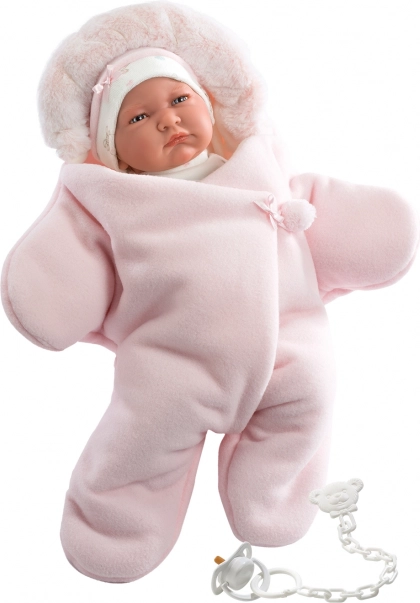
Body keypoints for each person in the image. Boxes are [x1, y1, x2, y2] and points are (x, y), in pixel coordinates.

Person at [1, 1, 418, 584]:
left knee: (311, 391)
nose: (167, 120)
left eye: (179, 99)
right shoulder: (118, 204)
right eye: (138, 117)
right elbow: (75, 253)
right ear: (114, 151)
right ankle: (116, 523)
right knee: (143, 434)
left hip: (287, 343)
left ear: (208, 104)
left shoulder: (260, 169)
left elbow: (312, 210)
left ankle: (271, 492)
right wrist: (50, 286)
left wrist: (374, 229)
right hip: (172, 364)